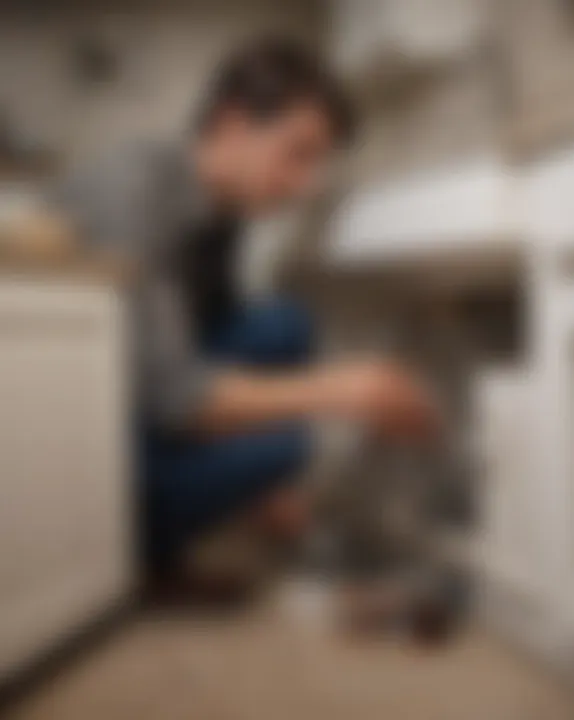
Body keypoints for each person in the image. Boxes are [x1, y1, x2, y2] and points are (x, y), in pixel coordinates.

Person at [50, 38, 438, 594]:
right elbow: (174, 396)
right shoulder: (133, 193)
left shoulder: (223, 214)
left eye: (317, 163)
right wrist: (348, 389)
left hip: (143, 403)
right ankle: (137, 551)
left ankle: (216, 509)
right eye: (297, 154)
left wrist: (266, 484)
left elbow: (212, 336)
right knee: (289, 443)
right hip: (82, 448)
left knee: (284, 324)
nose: (306, 184)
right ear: (232, 124)